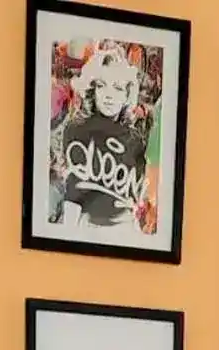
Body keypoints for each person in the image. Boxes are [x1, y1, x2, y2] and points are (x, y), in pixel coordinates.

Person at [57, 47, 148, 236]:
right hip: (86, 228)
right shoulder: (77, 130)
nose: (109, 95)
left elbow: (134, 201)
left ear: (127, 95)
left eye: (117, 88)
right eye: (101, 85)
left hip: (125, 230)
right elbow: (73, 196)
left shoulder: (135, 141)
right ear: (92, 89)